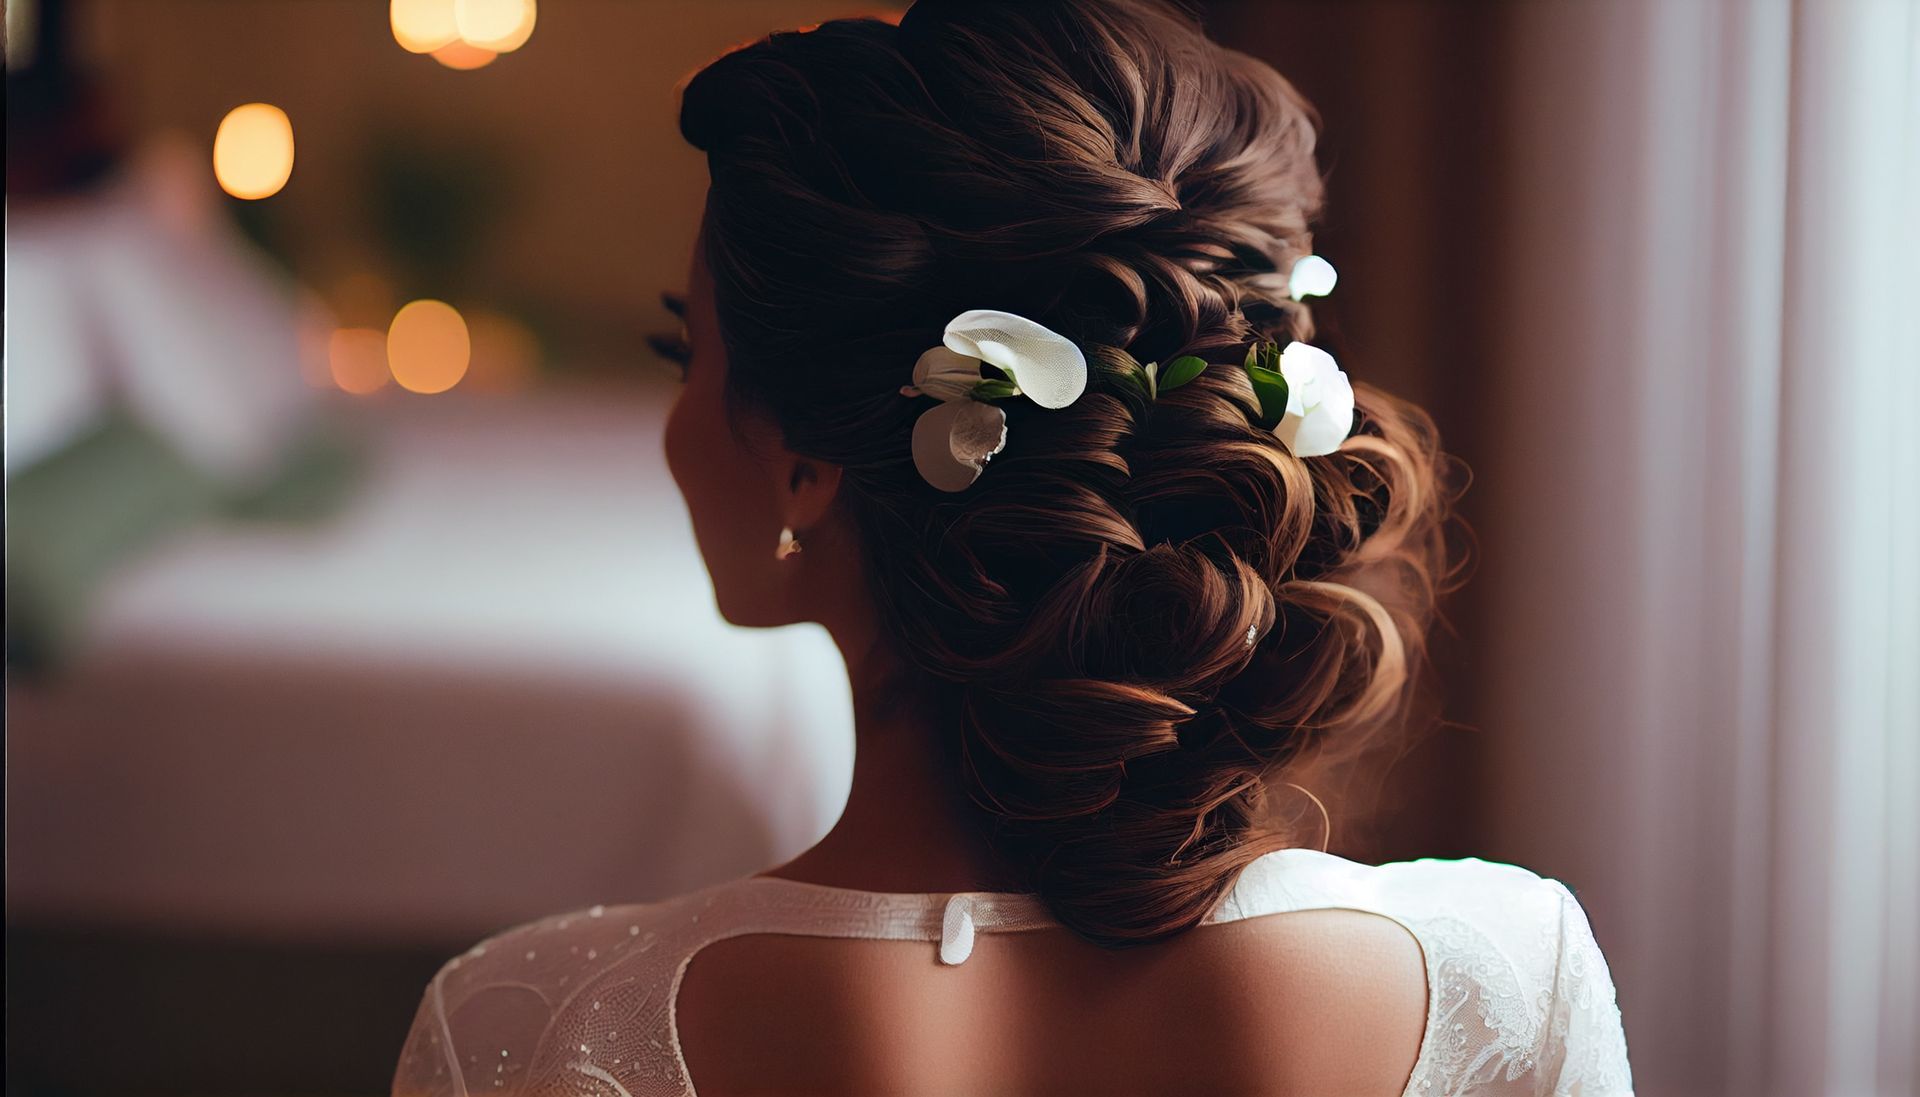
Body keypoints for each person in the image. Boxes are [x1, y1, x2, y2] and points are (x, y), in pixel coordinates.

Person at [391, 1, 1633, 1093]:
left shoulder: (540, 1027)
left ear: (805, 461)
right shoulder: (1508, 983)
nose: (673, 420)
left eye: (686, 355)